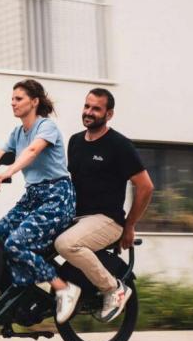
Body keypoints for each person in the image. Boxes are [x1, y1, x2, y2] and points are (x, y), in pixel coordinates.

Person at [0, 79, 77, 324]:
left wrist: (10, 172)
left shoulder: (46, 127)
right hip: (34, 196)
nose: (12, 103)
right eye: (12, 98)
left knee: (15, 243)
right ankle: (19, 292)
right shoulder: (17, 133)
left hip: (56, 197)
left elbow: (32, 151)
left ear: (34, 102)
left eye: (19, 98)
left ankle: (62, 287)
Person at [54, 88, 154, 323]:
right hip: (79, 218)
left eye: (96, 109)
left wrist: (129, 226)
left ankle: (113, 289)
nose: (89, 112)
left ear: (109, 114)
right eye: (87, 106)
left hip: (108, 220)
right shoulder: (76, 142)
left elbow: (146, 186)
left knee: (65, 244)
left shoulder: (119, 145)